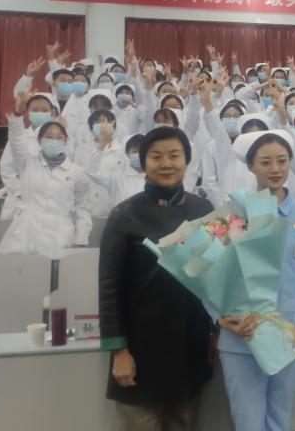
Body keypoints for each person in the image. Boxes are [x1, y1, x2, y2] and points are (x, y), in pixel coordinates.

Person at [98, 127, 216, 430]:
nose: (166, 163)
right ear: (143, 162)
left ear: (186, 160)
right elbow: (109, 288)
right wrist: (119, 351)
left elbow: (215, 278)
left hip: (189, 346)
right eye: (156, 156)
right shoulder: (124, 214)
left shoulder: (203, 210)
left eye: (174, 155)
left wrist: (215, 332)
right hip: (139, 349)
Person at [216, 129, 295, 431]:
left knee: (281, 418)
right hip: (242, 336)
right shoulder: (234, 213)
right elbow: (209, 273)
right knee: (248, 421)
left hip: (290, 333)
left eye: (282, 160)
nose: (275, 168)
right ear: (250, 166)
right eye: (265, 162)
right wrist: (219, 317)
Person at [0, 90, 91, 258]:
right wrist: (18, 114)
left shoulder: (77, 173)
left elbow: (82, 208)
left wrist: (80, 239)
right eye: (48, 137)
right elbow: (16, 141)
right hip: (26, 236)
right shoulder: (28, 163)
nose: (54, 141)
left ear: (66, 141)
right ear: (39, 141)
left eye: (59, 137)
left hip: (60, 237)